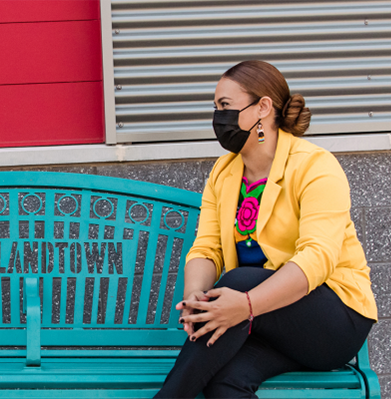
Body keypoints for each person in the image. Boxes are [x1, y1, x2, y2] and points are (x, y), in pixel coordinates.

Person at [155, 61, 377, 399]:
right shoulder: (224, 172)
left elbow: (317, 258)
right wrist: (195, 298)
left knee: (238, 280)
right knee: (225, 383)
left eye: (225, 106)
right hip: (264, 321)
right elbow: (207, 248)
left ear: (262, 107)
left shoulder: (315, 166)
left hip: (333, 322)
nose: (218, 117)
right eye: (215, 108)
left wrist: (245, 303)